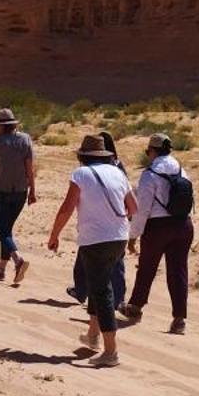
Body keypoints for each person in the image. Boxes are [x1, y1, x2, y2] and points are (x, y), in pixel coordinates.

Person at [47, 134, 137, 367]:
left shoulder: (81, 174)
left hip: (95, 240)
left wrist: (54, 235)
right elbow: (133, 207)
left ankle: (111, 351)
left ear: (83, 156)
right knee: (99, 285)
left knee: (102, 291)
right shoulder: (118, 173)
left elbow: (67, 207)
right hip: (119, 237)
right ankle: (93, 336)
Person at [122, 132, 194, 335]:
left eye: (148, 151)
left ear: (152, 151)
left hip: (158, 227)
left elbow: (142, 209)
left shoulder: (150, 174)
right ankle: (179, 320)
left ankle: (135, 308)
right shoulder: (182, 171)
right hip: (184, 225)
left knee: (146, 268)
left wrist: (133, 235)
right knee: (178, 271)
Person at [71, 129, 127, 313]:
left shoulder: (84, 172)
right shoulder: (118, 167)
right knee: (116, 265)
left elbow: (67, 206)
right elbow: (131, 203)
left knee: (88, 263)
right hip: (118, 226)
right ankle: (116, 299)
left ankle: (86, 295)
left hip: (95, 226)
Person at [0, 107, 36, 286]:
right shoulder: (26, 140)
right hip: (21, 191)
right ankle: (1, 270)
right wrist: (33, 191)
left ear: (0, 125)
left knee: (1, 231)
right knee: (7, 231)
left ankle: (18, 260)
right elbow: (30, 168)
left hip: (1, 190)